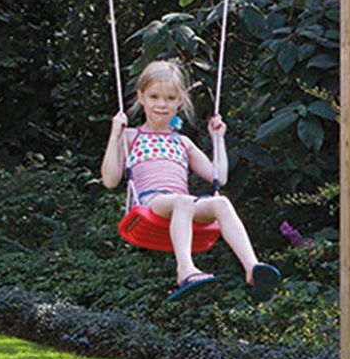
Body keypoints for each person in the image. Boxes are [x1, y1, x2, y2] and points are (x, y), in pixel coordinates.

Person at [100, 59, 281, 302]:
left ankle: (252, 268)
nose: (162, 104)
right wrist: (115, 134)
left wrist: (218, 138)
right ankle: (185, 269)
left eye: (170, 98)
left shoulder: (182, 142)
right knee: (183, 201)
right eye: (154, 97)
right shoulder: (131, 136)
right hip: (150, 202)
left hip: (182, 206)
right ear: (141, 97)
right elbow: (110, 180)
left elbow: (219, 177)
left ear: (180, 101)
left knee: (221, 203)